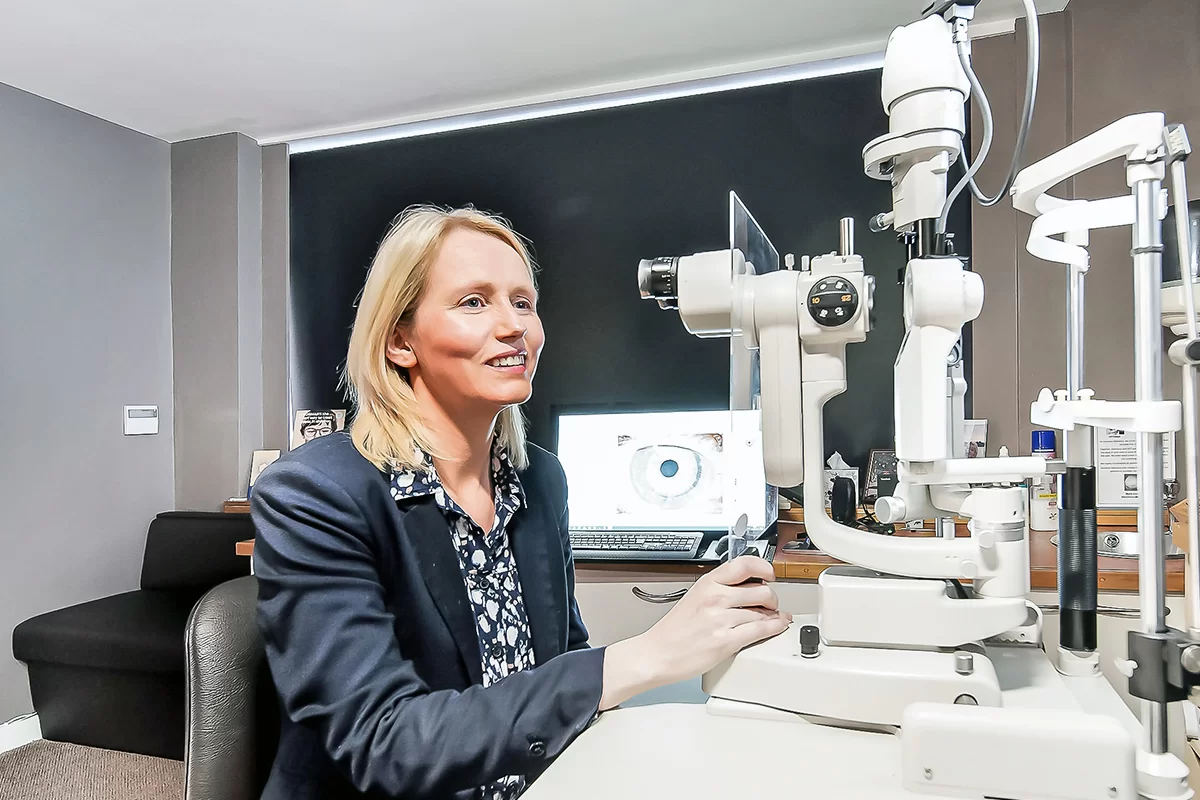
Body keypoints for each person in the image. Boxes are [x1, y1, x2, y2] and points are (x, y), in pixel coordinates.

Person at [250, 205, 791, 800]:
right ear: (401, 340)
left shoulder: (540, 483)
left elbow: (562, 657)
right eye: (474, 302)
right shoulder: (313, 495)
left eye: (523, 302)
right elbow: (386, 742)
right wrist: (650, 654)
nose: (514, 327)